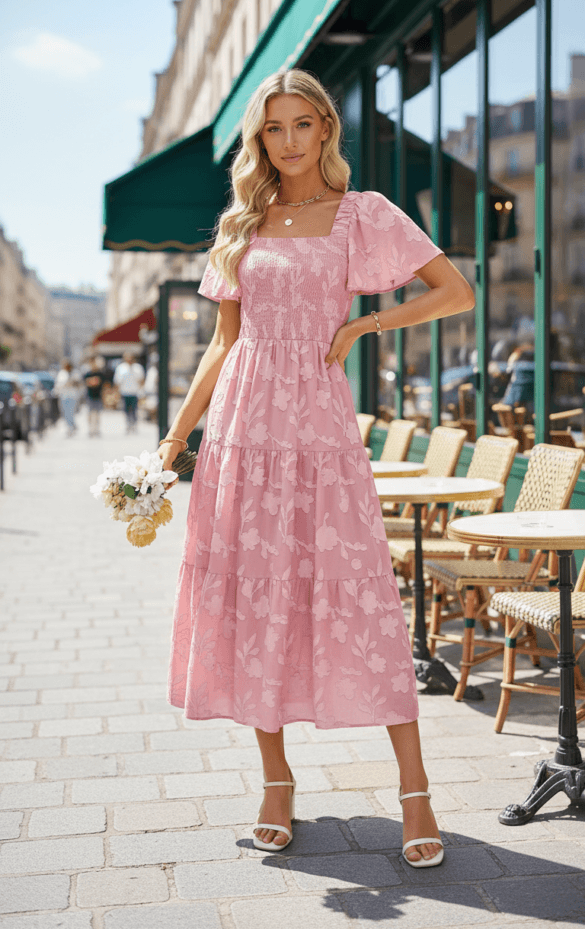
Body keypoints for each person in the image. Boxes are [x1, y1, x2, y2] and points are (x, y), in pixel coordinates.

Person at [158, 70, 474, 866]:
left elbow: (454, 292)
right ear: (259, 140)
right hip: (242, 432)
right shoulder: (242, 222)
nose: (289, 140)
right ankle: (276, 781)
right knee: (255, 595)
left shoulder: (362, 214)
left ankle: (414, 790)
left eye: (302, 123)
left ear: (326, 128)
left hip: (321, 428)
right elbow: (223, 344)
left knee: (360, 593)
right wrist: (174, 439)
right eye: (274, 128)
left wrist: (367, 323)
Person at [113, 352, 144, 432]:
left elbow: (141, 380)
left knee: (134, 409)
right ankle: (128, 424)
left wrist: (141, 392)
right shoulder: (121, 368)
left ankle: (134, 424)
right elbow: (117, 381)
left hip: (134, 392)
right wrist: (116, 393)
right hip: (124, 392)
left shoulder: (138, 368)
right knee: (126, 410)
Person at [54, 360, 81, 437]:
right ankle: (71, 426)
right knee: (64, 413)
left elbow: (79, 384)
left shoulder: (75, 373)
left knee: (71, 412)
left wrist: (72, 382)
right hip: (63, 396)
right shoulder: (62, 373)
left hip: (72, 396)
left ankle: (71, 427)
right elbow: (58, 384)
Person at [83, 356, 106, 437]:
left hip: (98, 396)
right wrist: (93, 381)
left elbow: (100, 383)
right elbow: (87, 382)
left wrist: (92, 381)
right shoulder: (87, 374)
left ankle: (96, 429)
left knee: (97, 413)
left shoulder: (100, 374)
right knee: (90, 413)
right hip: (90, 396)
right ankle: (90, 429)